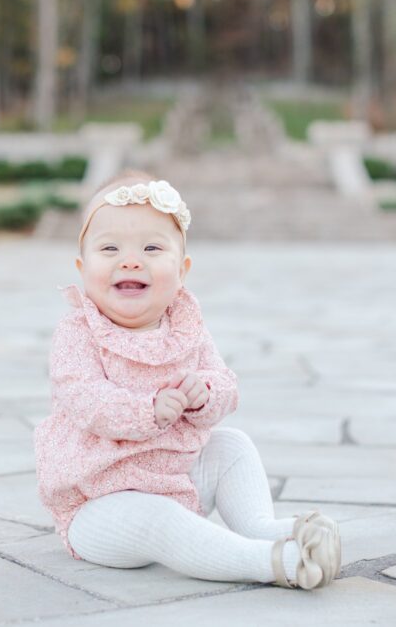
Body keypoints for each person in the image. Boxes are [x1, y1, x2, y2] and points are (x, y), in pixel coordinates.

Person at [33, 170, 341, 590]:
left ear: (182, 269)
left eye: (152, 248)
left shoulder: (185, 327)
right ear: (83, 267)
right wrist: (147, 410)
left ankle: (262, 527)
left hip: (177, 480)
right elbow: (84, 397)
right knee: (160, 521)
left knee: (232, 444)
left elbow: (225, 382)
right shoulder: (79, 332)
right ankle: (271, 561)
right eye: (109, 248)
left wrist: (204, 394)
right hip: (102, 504)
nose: (130, 259)